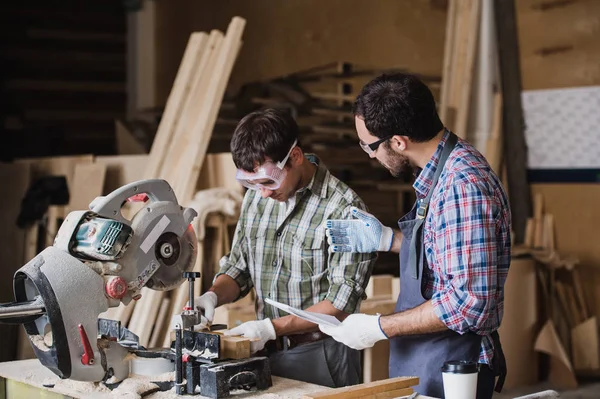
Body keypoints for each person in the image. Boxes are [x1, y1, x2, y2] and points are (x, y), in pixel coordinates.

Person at [319, 73, 511, 399]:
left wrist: (378, 327)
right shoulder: (437, 171)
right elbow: (446, 252)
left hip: (454, 370)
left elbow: (469, 304)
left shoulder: (461, 186)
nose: (369, 155)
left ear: (398, 141)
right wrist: (389, 240)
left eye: (369, 146)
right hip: (427, 362)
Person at [192, 107, 377, 388]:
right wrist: (212, 296)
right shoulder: (257, 197)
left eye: (269, 181)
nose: (263, 192)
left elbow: (340, 304)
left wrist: (270, 328)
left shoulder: (344, 209)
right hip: (265, 353)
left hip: (321, 354)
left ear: (295, 157)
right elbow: (240, 267)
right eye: (251, 183)